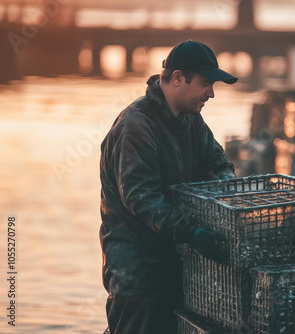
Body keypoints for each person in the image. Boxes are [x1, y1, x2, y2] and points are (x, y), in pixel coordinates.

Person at [99, 40, 238, 334]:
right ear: (177, 78)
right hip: (136, 273)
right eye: (206, 84)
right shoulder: (136, 126)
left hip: (173, 261)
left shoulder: (191, 120)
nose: (211, 93)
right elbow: (141, 198)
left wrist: (226, 196)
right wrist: (190, 231)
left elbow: (218, 162)